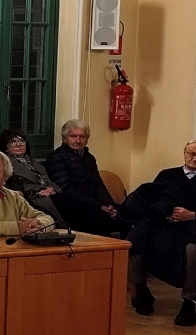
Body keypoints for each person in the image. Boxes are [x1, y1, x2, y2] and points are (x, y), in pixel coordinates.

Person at [123, 141, 196, 323]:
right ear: (184, 153)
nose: (193, 158)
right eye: (190, 153)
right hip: (164, 223)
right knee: (134, 242)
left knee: (192, 250)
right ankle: (141, 292)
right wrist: (167, 210)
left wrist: (191, 215)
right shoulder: (167, 175)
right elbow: (151, 199)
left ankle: (190, 302)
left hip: (192, 225)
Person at [44, 119, 123, 236]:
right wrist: (99, 206)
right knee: (102, 220)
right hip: (75, 207)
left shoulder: (89, 158)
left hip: (94, 203)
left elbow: (98, 184)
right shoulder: (56, 158)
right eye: (73, 136)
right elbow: (67, 189)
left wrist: (108, 204)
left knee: (128, 214)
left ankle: (131, 252)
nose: (78, 140)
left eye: (82, 137)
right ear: (65, 138)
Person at [0, 127, 63, 222]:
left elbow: (48, 181)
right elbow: (14, 188)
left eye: (21, 141)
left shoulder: (34, 163)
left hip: (50, 194)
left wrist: (52, 189)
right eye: (13, 142)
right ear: (6, 147)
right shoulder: (5, 165)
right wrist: (41, 190)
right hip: (31, 199)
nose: (18, 145)